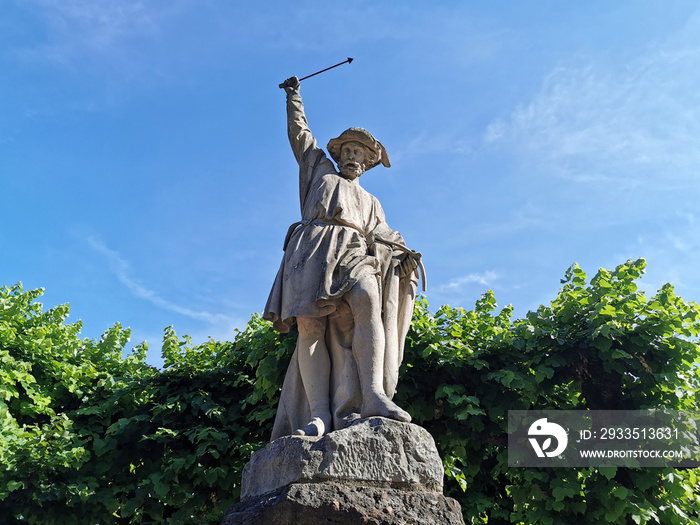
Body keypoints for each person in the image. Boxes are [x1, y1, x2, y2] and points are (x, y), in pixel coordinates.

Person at [264, 76, 423, 439]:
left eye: (360, 154)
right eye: (348, 151)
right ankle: (319, 414)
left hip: (352, 252)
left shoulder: (371, 202)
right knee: (310, 328)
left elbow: (383, 235)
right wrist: (294, 97)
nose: (353, 157)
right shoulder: (318, 168)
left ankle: (374, 395)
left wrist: (404, 254)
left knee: (368, 300)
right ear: (338, 154)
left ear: (367, 163)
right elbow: (299, 134)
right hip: (310, 250)